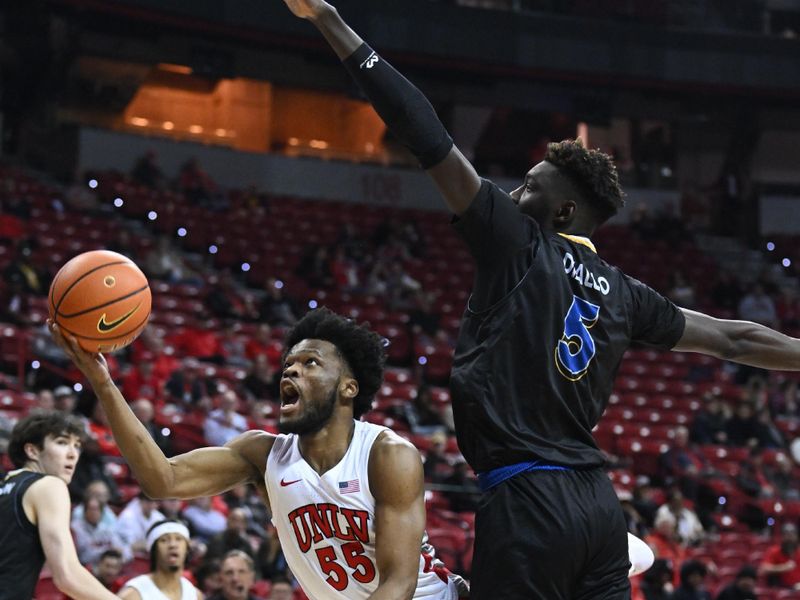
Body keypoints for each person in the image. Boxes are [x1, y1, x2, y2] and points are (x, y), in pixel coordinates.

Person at [280, 2, 800, 597]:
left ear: (564, 211)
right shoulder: (627, 294)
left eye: (527, 187)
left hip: (528, 502)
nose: (510, 192)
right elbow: (737, 338)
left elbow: (424, 131)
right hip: (598, 508)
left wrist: (329, 21)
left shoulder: (519, 242)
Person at [51, 308, 465, 600]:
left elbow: (397, 585)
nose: (291, 370)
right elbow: (163, 480)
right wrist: (102, 382)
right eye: (288, 364)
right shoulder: (262, 455)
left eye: (310, 363)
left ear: (348, 388)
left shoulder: (387, 455)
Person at [0, 412, 119, 599]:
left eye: (77, 445)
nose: (73, 454)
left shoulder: (5, 484)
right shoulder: (50, 485)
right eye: (62, 442)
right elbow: (67, 576)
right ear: (32, 451)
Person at [119, 518, 203, 600]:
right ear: (153, 551)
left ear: (187, 550)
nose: (172, 545)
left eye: (179, 539)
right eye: (164, 540)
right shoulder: (133, 594)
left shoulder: (195, 595)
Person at [760, 522, 800, 589]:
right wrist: (783, 567)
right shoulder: (774, 551)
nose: (789, 538)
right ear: (782, 537)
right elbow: (763, 569)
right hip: (780, 589)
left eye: (792, 535)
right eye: (787, 535)